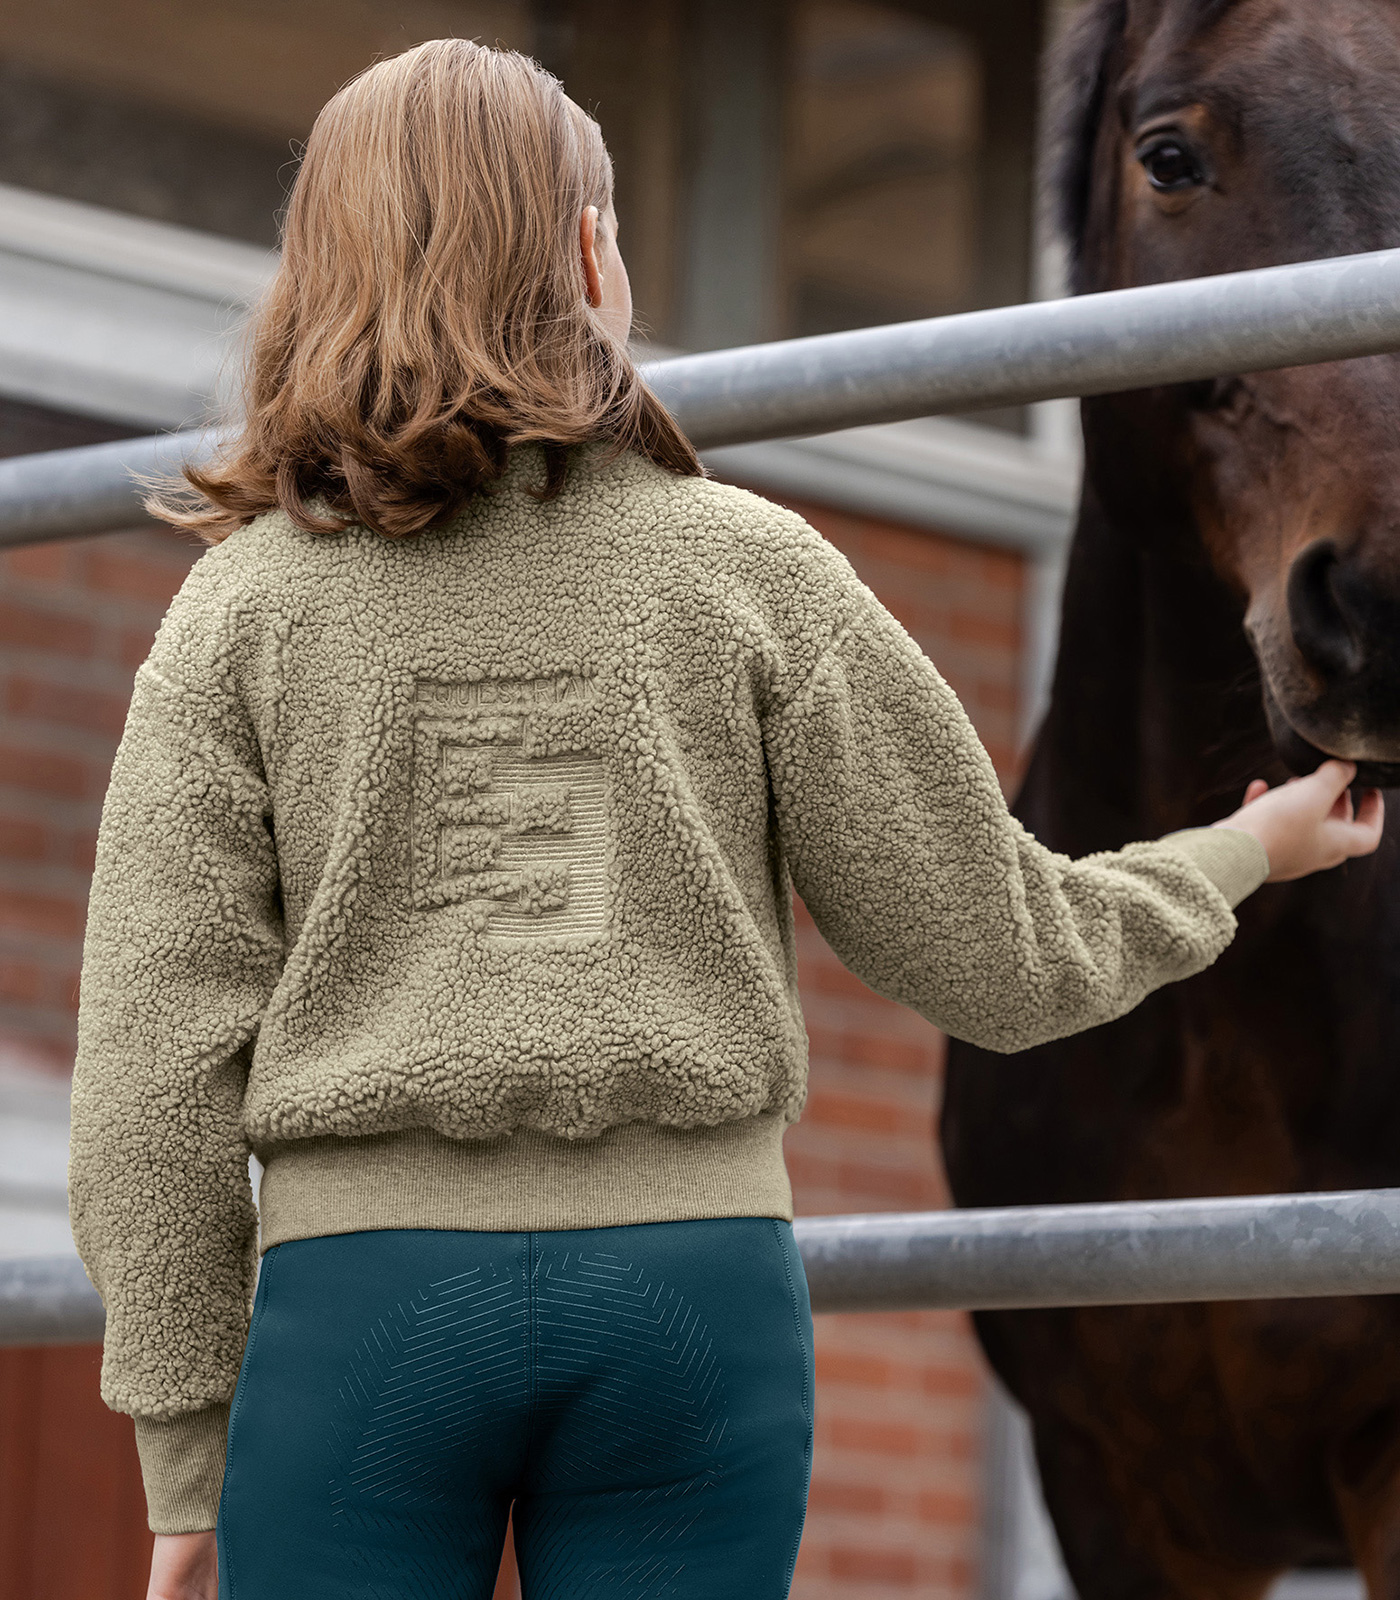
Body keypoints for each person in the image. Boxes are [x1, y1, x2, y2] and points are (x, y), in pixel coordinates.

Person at [67, 37, 1383, 1600]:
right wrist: (1254, 849)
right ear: (587, 257)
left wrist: (182, 1444)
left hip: (366, 1316)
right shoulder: (758, 572)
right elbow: (1006, 960)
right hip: (686, 1311)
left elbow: (147, 1080)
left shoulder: (236, 618)